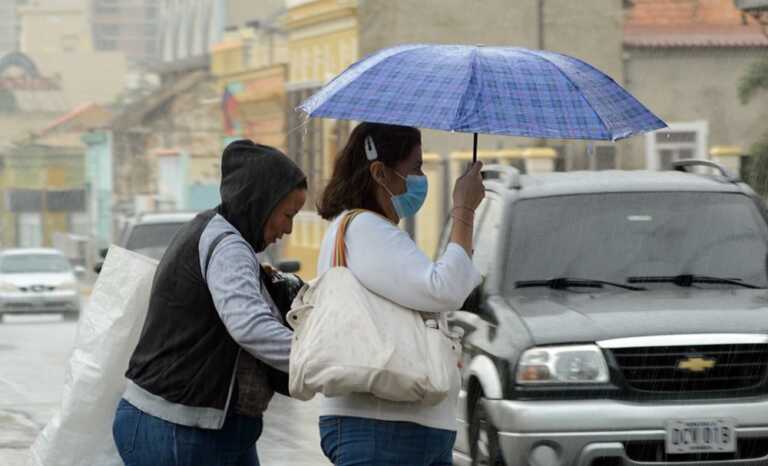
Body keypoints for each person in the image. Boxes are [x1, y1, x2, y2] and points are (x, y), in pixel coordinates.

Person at [112, 140, 307, 466]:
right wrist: (322, 359)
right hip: (179, 429)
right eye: (287, 215)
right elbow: (251, 327)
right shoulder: (227, 247)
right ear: (260, 202)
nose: (288, 228)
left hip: (206, 428)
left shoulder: (215, 232)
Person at [315, 122, 485, 466]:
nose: (422, 178)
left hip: (400, 427)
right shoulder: (364, 229)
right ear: (380, 172)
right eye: (416, 167)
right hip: (382, 428)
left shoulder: (369, 231)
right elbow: (445, 289)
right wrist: (464, 211)